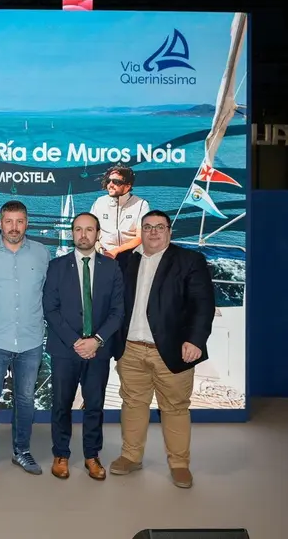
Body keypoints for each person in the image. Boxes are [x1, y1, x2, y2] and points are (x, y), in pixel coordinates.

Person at [109, 210, 215, 489]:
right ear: (140, 232)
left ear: (169, 231)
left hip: (173, 350)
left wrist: (195, 340)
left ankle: (179, 464)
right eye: (147, 227)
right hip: (131, 350)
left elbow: (203, 304)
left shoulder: (189, 260)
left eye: (159, 227)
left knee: (175, 407)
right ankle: (131, 456)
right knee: (133, 404)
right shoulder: (124, 260)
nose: (153, 232)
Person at [43, 212, 124, 481]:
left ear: (97, 234)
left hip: (98, 351)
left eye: (89, 229)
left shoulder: (111, 267)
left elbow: (117, 311)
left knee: (95, 405)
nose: (83, 234)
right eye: (78, 229)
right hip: (65, 350)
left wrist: (96, 340)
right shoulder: (56, 267)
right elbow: (50, 309)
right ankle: (61, 454)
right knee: (61, 405)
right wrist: (75, 341)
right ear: (72, 234)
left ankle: (92, 455)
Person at [0, 200, 51, 476]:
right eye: (9, 221)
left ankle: (21, 451)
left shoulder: (42, 253)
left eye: (19, 221)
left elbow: (48, 293)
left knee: (26, 399)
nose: (14, 227)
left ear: (27, 223)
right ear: (0, 223)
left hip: (30, 340)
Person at [90, 164, 150, 273]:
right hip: (103, 255)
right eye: (108, 181)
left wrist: (116, 251)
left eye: (116, 182)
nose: (110, 185)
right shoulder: (99, 202)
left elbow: (140, 237)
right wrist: (99, 249)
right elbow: (91, 232)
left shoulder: (141, 204)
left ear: (128, 186)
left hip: (130, 256)